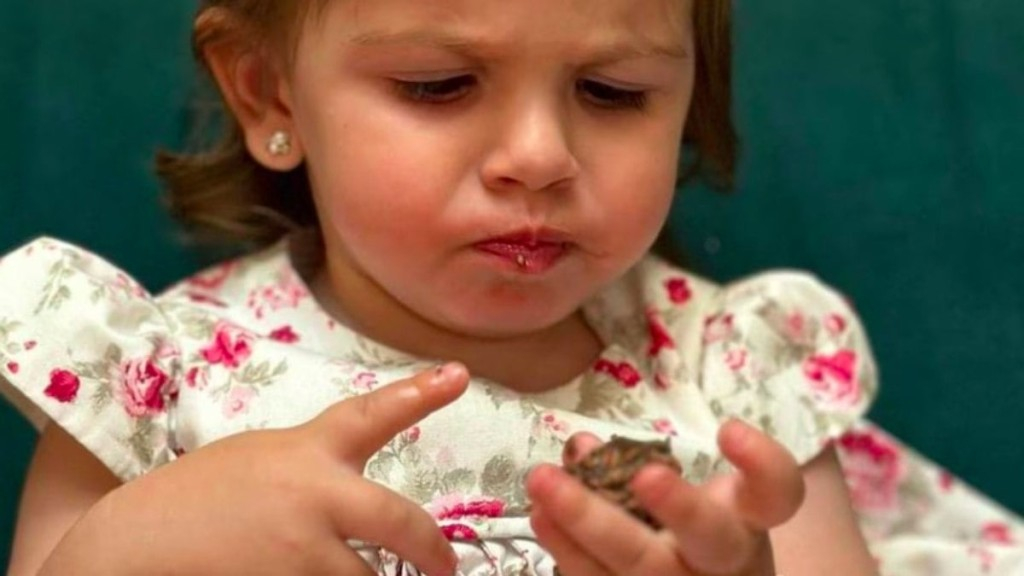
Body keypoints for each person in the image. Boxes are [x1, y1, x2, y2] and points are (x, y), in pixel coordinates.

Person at [1, 0, 1021, 574]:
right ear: (271, 93)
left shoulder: (733, 373)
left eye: (612, 93)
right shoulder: (156, 380)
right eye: (437, 86)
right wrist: (145, 545)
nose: (537, 158)